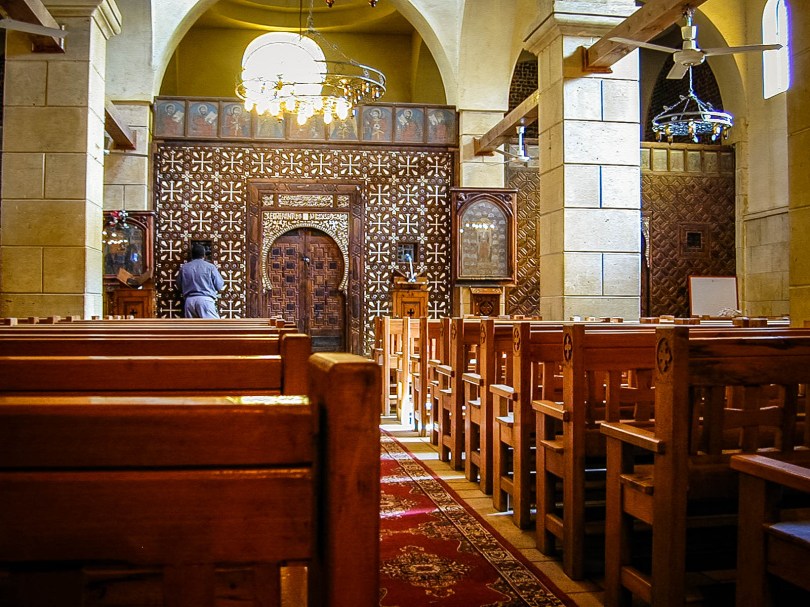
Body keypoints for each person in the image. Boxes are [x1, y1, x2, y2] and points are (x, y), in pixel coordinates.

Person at [176, 244, 225, 318]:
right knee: (213, 325)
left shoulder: (184, 268)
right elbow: (219, 285)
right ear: (204, 255)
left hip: (189, 302)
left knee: (192, 326)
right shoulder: (210, 267)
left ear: (192, 255)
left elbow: (179, 285)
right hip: (205, 301)